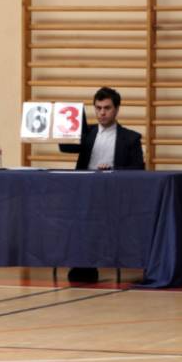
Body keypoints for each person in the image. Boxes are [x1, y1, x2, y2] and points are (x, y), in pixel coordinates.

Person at [59, 87, 145, 282]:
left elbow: (138, 168)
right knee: (81, 222)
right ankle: (83, 267)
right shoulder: (86, 133)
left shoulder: (131, 138)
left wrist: (113, 170)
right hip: (86, 190)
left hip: (115, 191)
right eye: (98, 108)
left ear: (117, 109)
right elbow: (66, 146)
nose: (102, 113)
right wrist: (62, 126)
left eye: (107, 108)